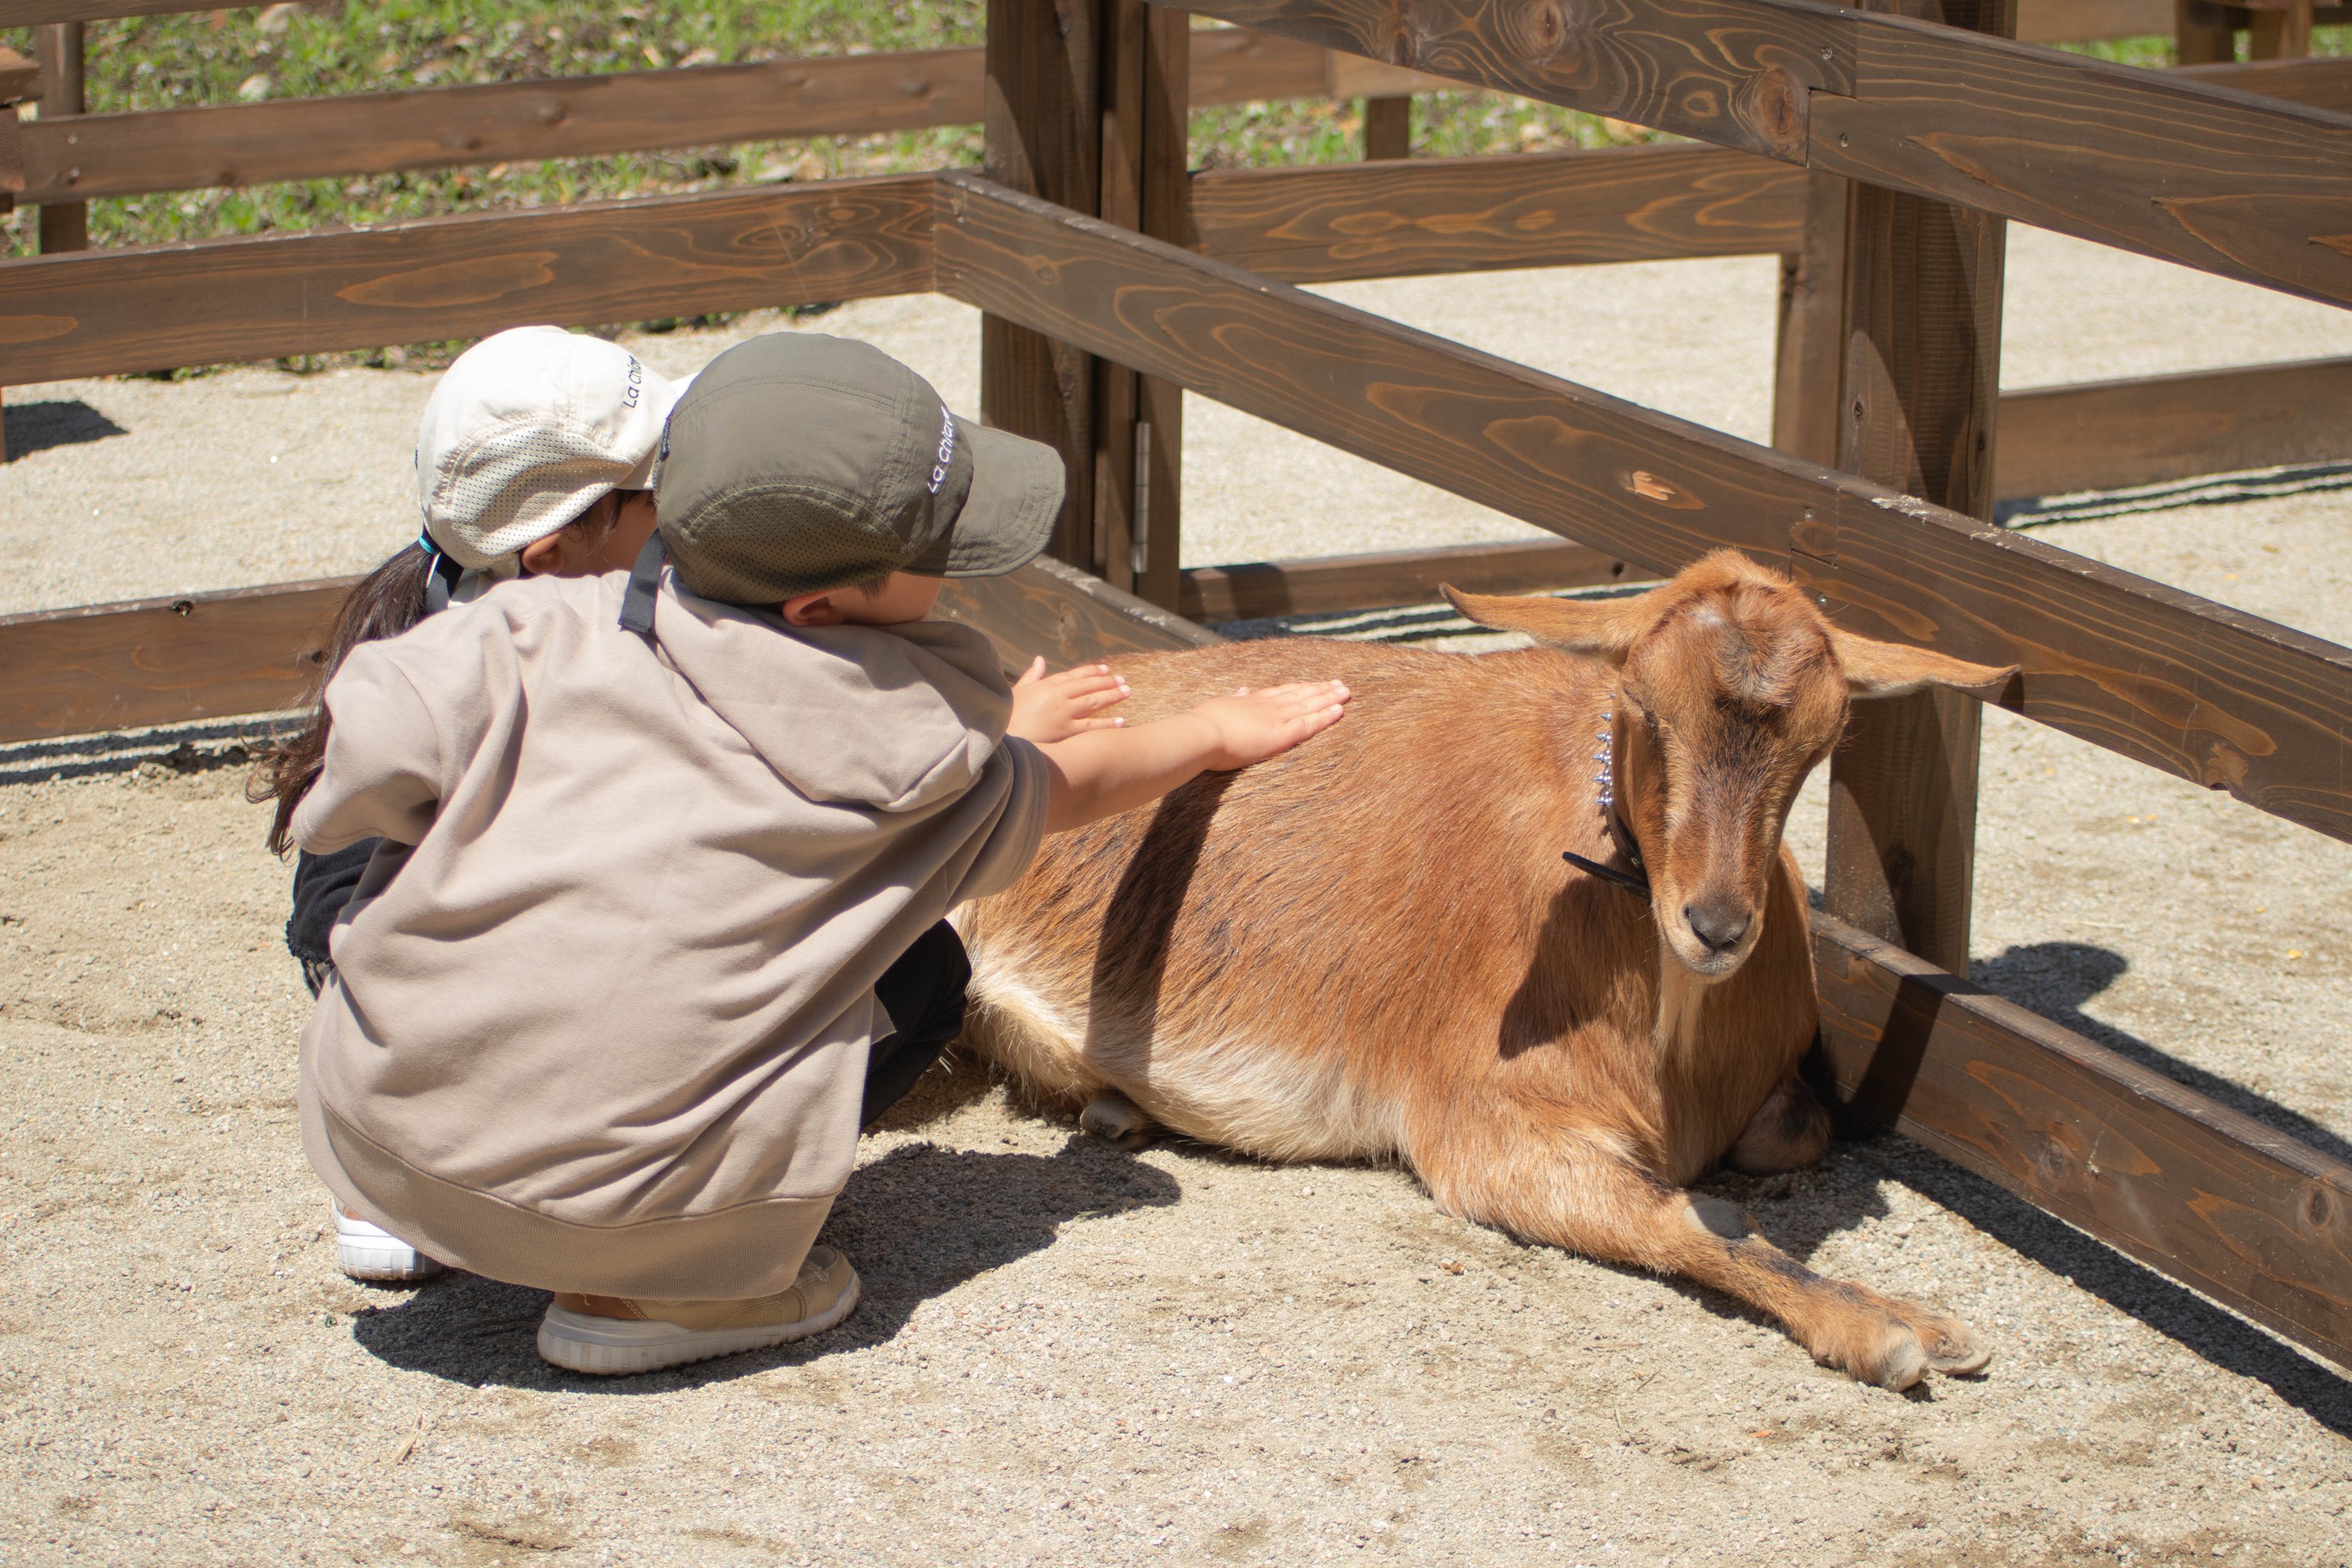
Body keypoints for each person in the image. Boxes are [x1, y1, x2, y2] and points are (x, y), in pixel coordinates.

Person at [285, 332, 1349, 1374]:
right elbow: (1065, 790)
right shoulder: (902, 758)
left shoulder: (540, 621)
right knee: (921, 975)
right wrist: (1210, 736)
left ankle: (431, 1193)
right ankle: (659, 1290)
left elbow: (373, 731)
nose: (950, 569)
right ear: (820, 610)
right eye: (931, 552)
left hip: (377, 1137)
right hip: (612, 1220)